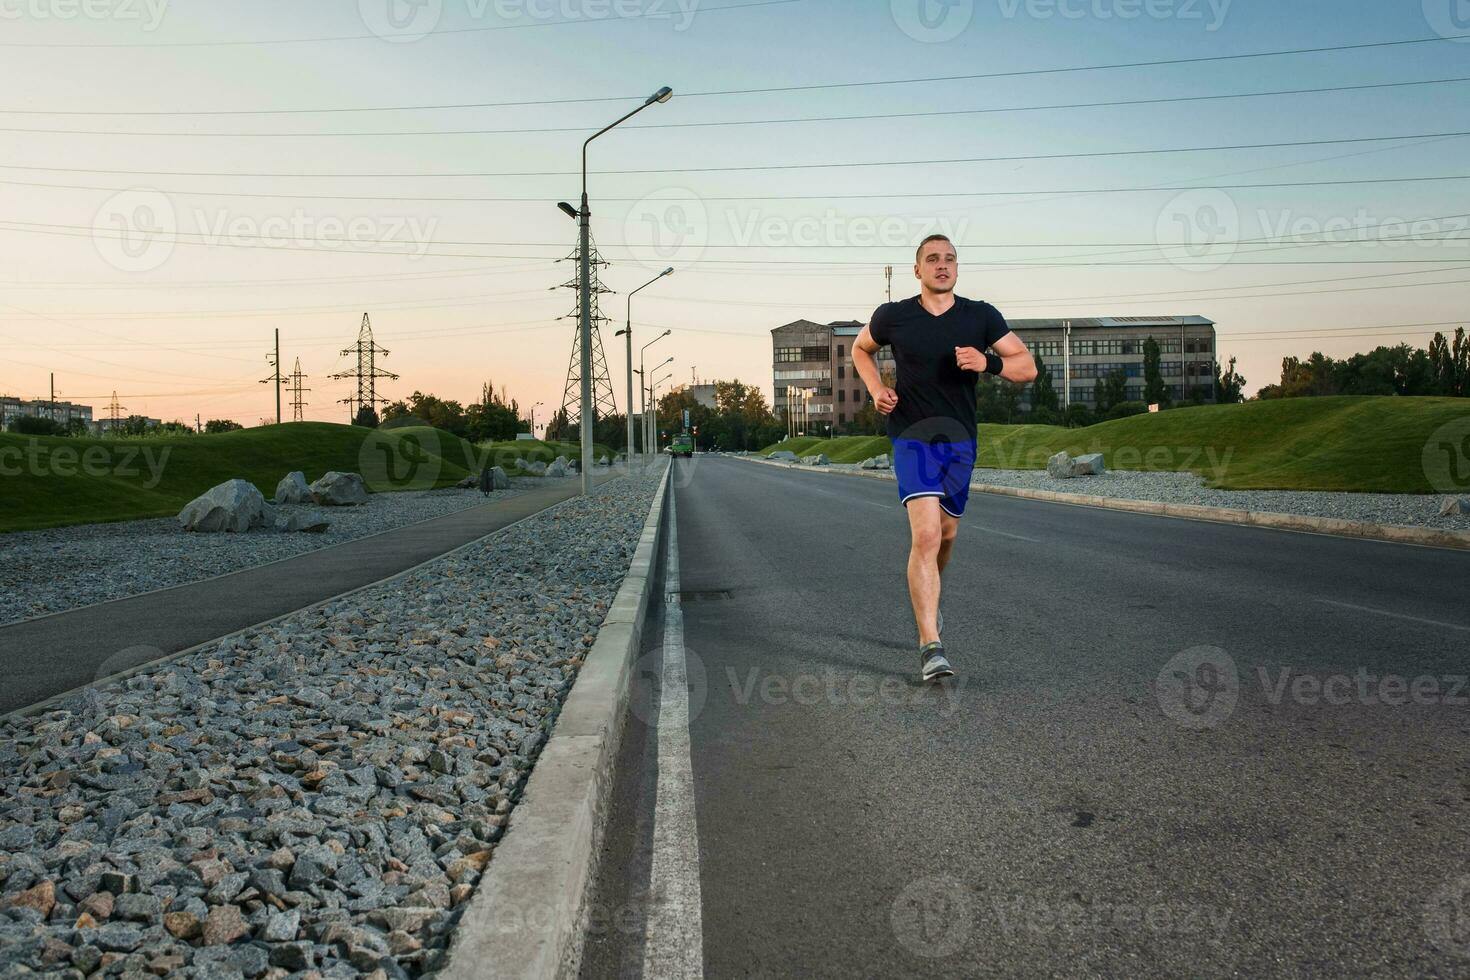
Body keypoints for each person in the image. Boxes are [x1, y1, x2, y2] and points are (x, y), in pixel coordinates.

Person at [851, 234, 1036, 682]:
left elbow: (1026, 367)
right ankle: (930, 644)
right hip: (911, 435)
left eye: (950, 259)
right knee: (928, 535)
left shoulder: (981, 316)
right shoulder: (893, 316)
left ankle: (931, 600)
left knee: (948, 532)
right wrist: (878, 391)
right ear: (917, 270)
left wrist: (987, 363)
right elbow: (860, 350)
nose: (942, 265)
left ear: (957, 268)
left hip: (960, 439)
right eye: (932, 259)